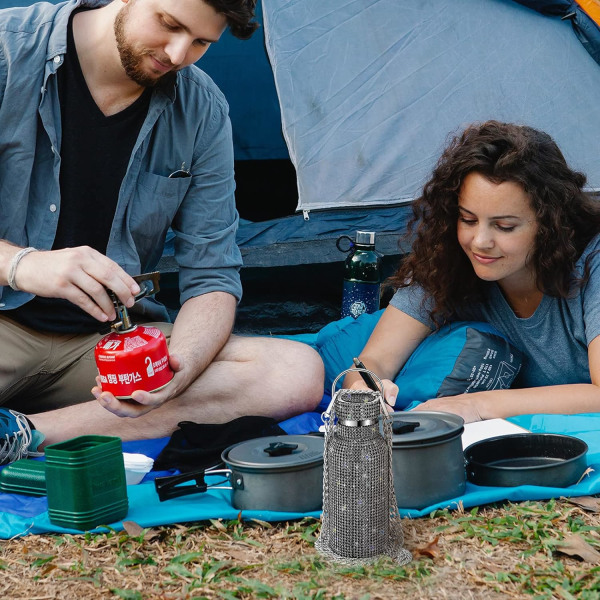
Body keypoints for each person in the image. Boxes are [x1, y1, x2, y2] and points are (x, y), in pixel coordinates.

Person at [0, 0, 324, 464]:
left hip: (108, 344)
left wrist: (180, 368)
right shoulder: (7, 52)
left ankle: (22, 433)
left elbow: (212, 276)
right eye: (169, 25)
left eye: (200, 43)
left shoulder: (202, 109)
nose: (176, 54)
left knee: (293, 371)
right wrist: (21, 265)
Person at [344, 120, 600, 423]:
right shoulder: (447, 260)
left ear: (550, 225)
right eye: (467, 219)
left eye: (505, 226)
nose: (480, 242)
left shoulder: (592, 260)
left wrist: (475, 406)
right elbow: (373, 360)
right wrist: (365, 392)